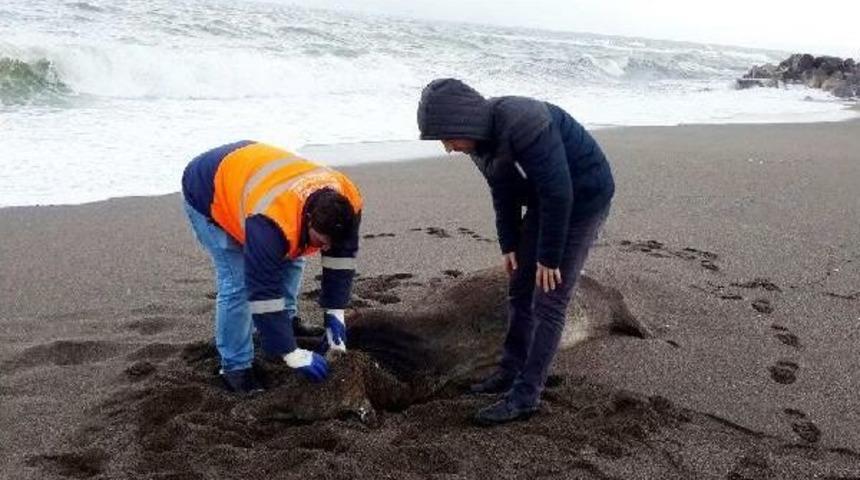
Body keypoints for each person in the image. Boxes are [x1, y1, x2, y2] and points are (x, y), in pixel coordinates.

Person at [417, 79, 615, 425]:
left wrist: (550, 257)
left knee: (549, 297)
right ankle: (509, 371)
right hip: (546, 199)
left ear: (463, 122)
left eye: (447, 138)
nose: (448, 148)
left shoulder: (524, 120)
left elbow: (560, 193)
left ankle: (527, 395)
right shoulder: (477, 142)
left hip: (582, 198)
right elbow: (503, 190)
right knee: (519, 286)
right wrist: (509, 243)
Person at [181, 140, 362, 393]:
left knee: (294, 254)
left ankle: (284, 323)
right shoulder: (270, 223)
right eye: (320, 241)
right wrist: (290, 353)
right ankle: (235, 367)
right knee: (238, 282)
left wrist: (335, 314)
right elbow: (262, 293)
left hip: (254, 173)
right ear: (308, 218)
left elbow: (340, 259)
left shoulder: (348, 197)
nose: (323, 249)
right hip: (208, 188)